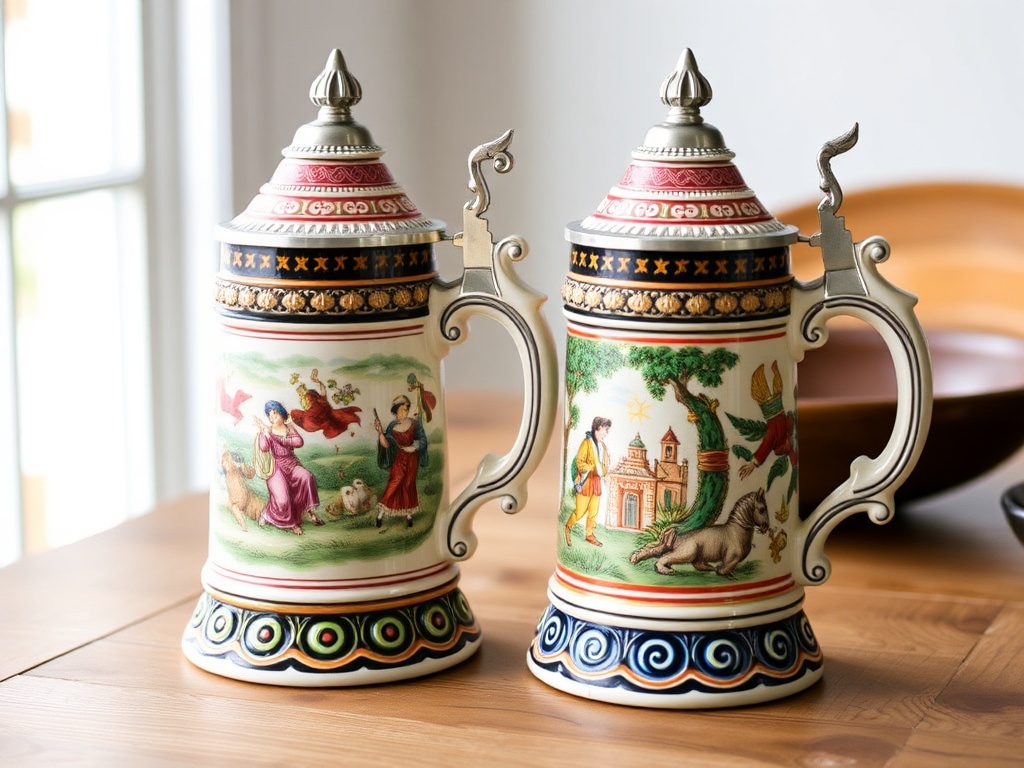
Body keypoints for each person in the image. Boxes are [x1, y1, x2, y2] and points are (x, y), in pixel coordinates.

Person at [253, 400, 323, 535]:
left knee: (307, 477)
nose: (272, 417)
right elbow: (264, 447)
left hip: (291, 463)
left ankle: (308, 513)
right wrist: (264, 434)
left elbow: (299, 442)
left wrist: (278, 438)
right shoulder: (268, 430)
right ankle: (275, 518)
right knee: (283, 500)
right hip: (276, 467)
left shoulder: (288, 428)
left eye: (275, 413)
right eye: (269, 414)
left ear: (281, 413)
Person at [374, 394, 429, 528]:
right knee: (395, 481)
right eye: (403, 409)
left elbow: (423, 440)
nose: (406, 411)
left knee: (408, 484)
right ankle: (381, 513)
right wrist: (380, 432)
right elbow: (386, 444)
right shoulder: (392, 426)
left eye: (407, 409)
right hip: (398, 459)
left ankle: (408, 515)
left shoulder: (415, 424)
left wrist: (413, 447)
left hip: (412, 458)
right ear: (396, 409)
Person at [565, 416, 611, 547]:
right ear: (598, 428)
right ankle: (568, 527)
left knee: (593, 512)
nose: (606, 433)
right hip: (586, 482)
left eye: (607, 431)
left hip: (596, 482)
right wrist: (591, 467)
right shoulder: (586, 443)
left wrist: (604, 472)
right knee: (580, 512)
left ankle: (589, 535)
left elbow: (605, 464)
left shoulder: (603, 446)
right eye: (605, 430)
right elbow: (580, 462)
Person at [290, 368, 361, 439]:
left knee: (300, 416)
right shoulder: (316, 403)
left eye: (301, 393)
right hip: (316, 418)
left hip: (317, 417)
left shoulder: (318, 402)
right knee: (298, 415)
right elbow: (322, 393)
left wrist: (318, 382)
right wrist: (318, 382)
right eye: (300, 394)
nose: (301, 395)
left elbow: (322, 393)